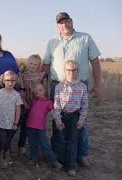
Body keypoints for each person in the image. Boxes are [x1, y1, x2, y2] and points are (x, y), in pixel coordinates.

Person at [43, 12, 102, 167]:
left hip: (79, 86)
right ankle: (57, 154)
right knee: (58, 121)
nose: (64, 24)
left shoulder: (85, 38)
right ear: (57, 26)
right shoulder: (52, 42)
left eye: (66, 21)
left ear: (72, 22)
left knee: (80, 122)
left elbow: (95, 62)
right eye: (60, 23)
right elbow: (46, 65)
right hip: (57, 86)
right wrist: (42, 86)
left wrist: (97, 85)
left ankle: (81, 154)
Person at [53, 60, 88, 176]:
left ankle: (72, 166)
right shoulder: (59, 87)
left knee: (73, 141)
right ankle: (61, 161)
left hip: (75, 117)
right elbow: (56, 105)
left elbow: (84, 105)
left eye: (74, 70)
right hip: (62, 116)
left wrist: (81, 119)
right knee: (61, 140)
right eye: (68, 70)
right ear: (65, 71)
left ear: (77, 71)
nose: (71, 72)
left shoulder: (82, 87)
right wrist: (57, 120)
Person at [0, 70, 23, 168]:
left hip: (11, 124)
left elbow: (18, 110)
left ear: (16, 82)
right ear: (3, 81)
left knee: (8, 141)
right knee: (1, 140)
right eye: (7, 80)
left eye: (12, 80)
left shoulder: (16, 95)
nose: (10, 83)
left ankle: (5, 153)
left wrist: (16, 123)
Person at [26, 83, 63, 170]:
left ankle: (53, 161)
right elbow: (28, 107)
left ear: (44, 90)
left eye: (40, 90)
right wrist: (23, 99)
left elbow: (53, 112)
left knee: (44, 144)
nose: (38, 93)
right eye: (36, 93)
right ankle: (34, 158)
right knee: (32, 144)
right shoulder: (33, 101)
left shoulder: (48, 102)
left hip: (40, 128)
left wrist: (58, 122)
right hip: (29, 126)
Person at [17, 54, 48, 156]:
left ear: (39, 65)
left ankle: (38, 147)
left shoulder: (42, 76)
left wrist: (43, 106)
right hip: (25, 104)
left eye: (35, 64)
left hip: (37, 105)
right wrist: (23, 102)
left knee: (37, 126)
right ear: (27, 63)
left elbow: (44, 90)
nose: (32, 66)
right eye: (30, 63)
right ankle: (21, 146)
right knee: (24, 126)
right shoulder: (22, 75)